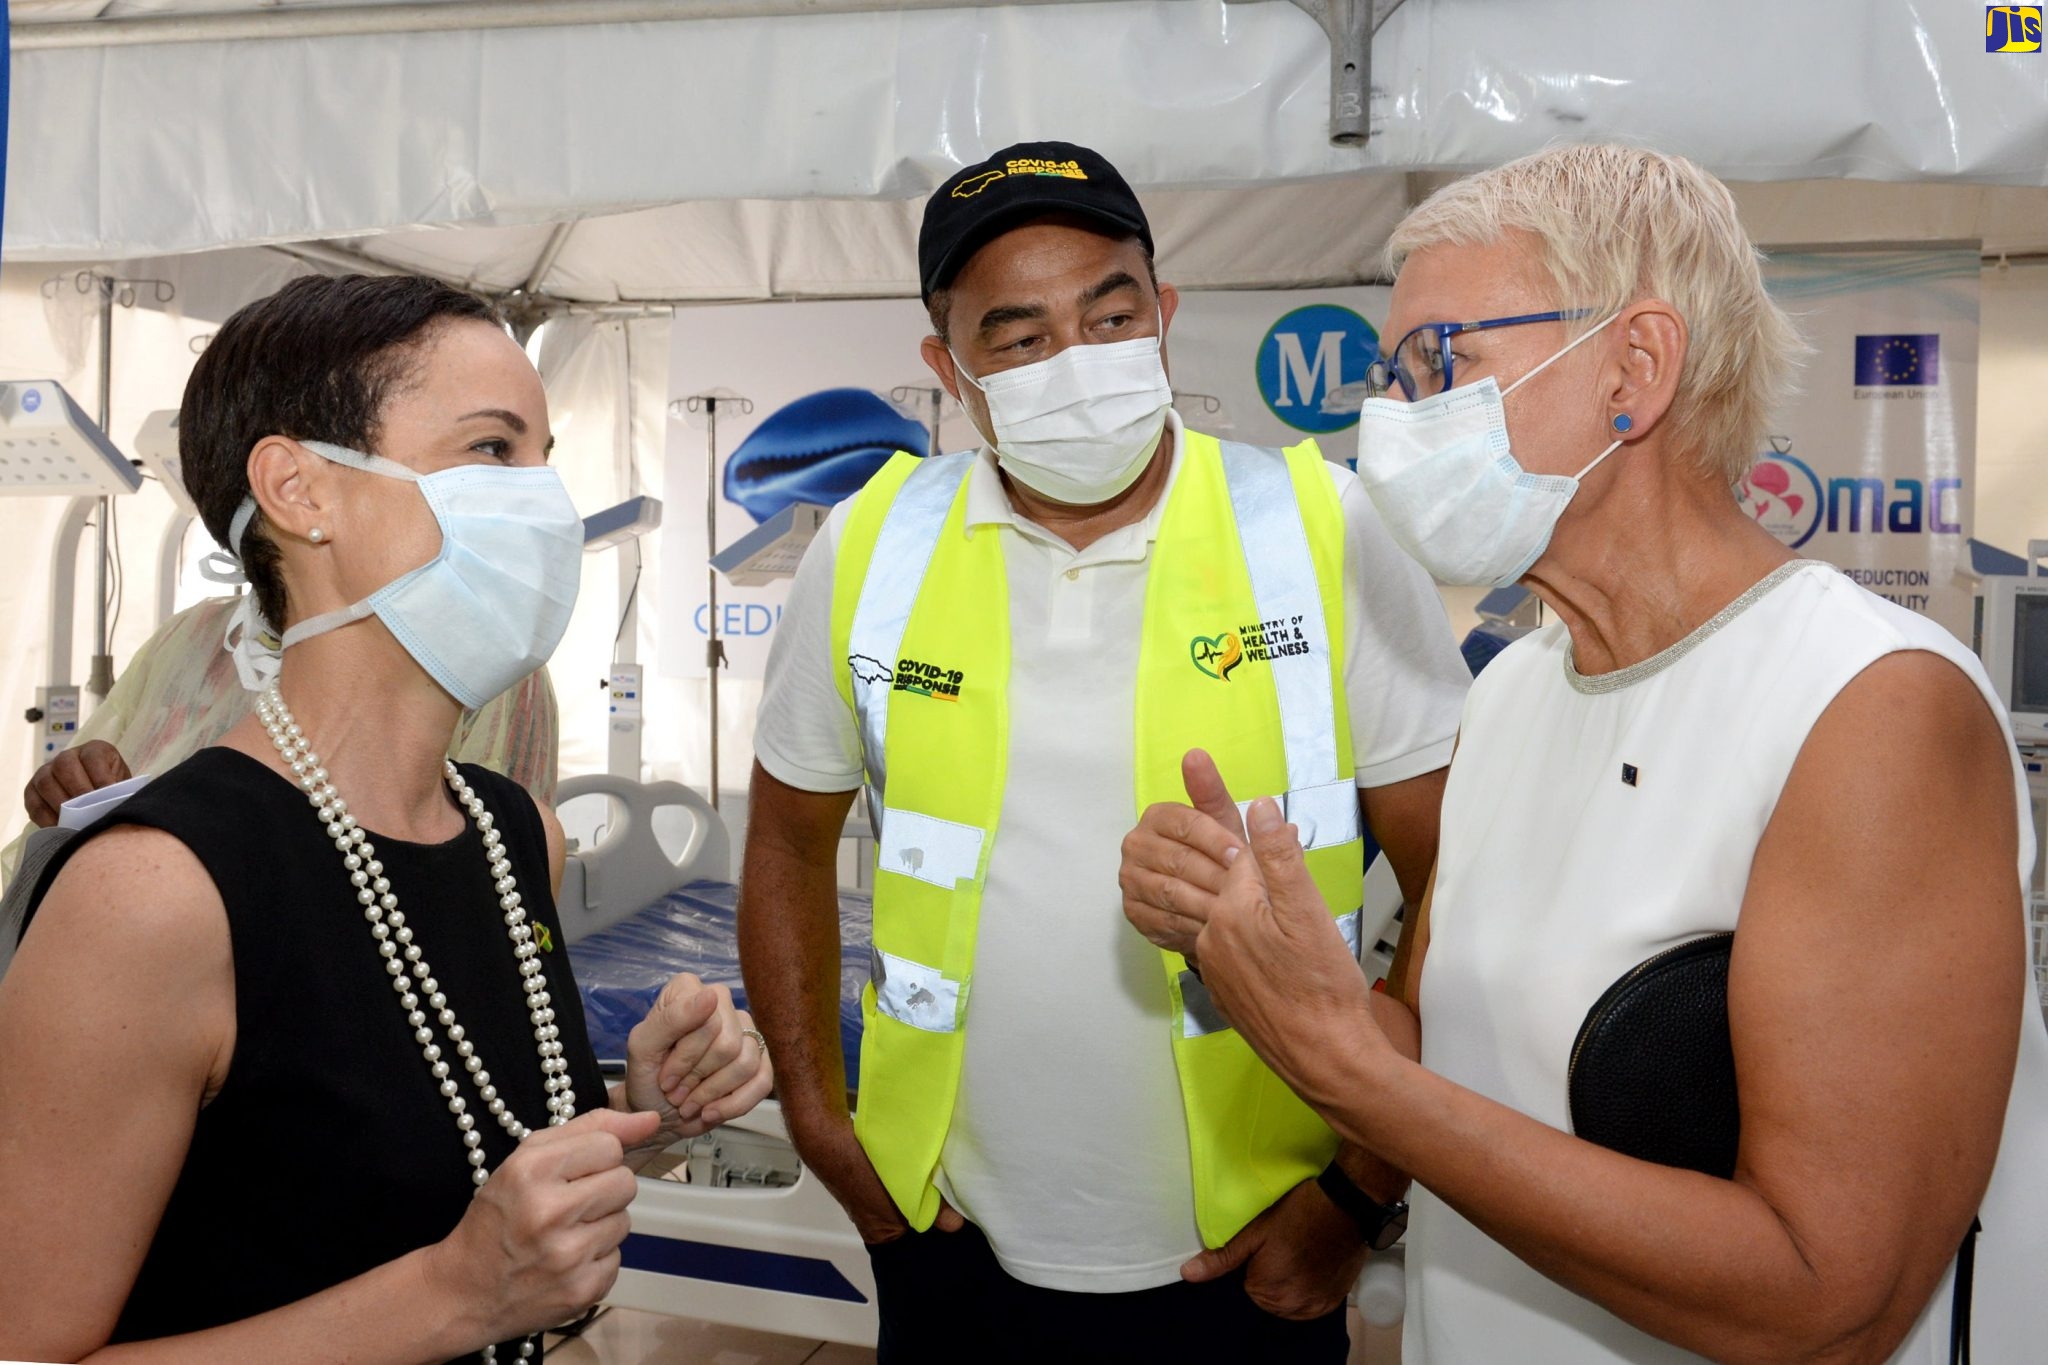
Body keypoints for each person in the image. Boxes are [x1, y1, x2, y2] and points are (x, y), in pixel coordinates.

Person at [1121, 143, 2048, 1363]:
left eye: (1438, 364)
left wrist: (1352, 1075)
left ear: (1635, 366)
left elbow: (1832, 1299)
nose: (1389, 420)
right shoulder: (1509, 694)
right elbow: (1469, 1068)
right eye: (1388, 376)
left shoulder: (1866, 706)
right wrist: (1289, 979)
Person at [740, 141, 1470, 1362]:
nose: (1074, 363)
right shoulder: (871, 547)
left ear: (1163, 314)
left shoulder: (1318, 526)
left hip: (1252, 1239)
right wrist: (820, 1117)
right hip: (947, 1230)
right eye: (1019, 337)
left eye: (1109, 312)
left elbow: (1455, 865)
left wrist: (1358, 1192)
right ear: (947, 366)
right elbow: (783, 842)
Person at [0, 274, 774, 1363]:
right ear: (298, 489)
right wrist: (456, 1298)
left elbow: (419, 1167)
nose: (544, 504)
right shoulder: (157, 894)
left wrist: (633, 1118)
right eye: (492, 451)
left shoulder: (512, 834)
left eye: (546, 456)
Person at [7, 595, 559, 874]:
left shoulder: (487, 667)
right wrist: (72, 792)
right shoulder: (191, 635)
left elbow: (492, 908)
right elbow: (89, 785)